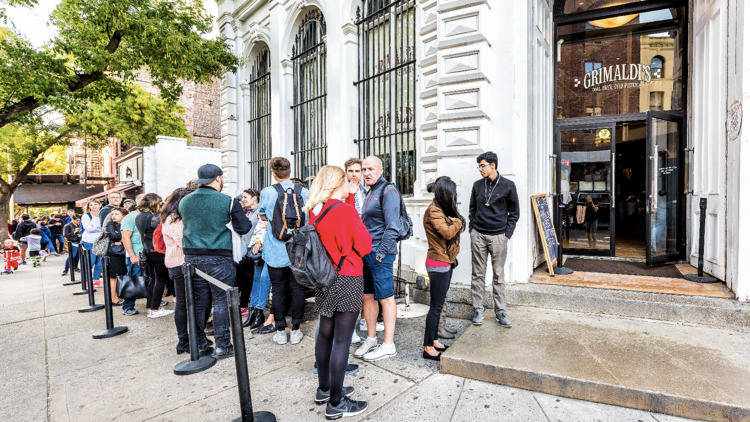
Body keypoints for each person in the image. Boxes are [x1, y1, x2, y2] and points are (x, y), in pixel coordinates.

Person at [304, 165, 371, 418]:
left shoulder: (314, 210)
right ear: (337, 182)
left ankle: (324, 389)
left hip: (325, 278)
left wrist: (351, 197)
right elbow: (364, 245)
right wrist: (351, 202)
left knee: (325, 333)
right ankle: (336, 403)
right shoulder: (344, 211)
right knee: (342, 340)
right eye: (346, 180)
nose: (349, 183)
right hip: (348, 277)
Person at [180, 164, 252, 359]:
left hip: (191, 257)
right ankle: (222, 345)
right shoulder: (227, 201)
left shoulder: (184, 201)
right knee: (221, 301)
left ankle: (200, 344)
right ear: (219, 178)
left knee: (198, 302)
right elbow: (244, 227)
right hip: (219, 255)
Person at [352, 156, 400, 362]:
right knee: (368, 297)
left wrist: (380, 254)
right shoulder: (371, 192)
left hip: (380, 254)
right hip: (367, 253)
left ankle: (388, 344)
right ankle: (371, 338)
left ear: (381, 170)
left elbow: (393, 228)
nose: (366, 173)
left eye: (371, 169)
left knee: (386, 297)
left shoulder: (389, 191)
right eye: (364, 169)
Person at [257, 157, 309, 345]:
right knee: (297, 289)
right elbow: (308, 219)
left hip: (275, 250)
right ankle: (295, 330)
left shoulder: (267, 192)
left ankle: (280, 331)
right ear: (290, 170)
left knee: (278, 290)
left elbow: (262, 215)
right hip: (297, 250)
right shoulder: (304, 191)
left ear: (273, 173)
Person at [160, 187, 214, 356]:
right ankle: (188, 341)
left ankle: (191, 339)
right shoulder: (175, 220)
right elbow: (185, 241)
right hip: (183, 264)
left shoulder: (171, 217)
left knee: (190, 303)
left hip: (179, 263)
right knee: (190, 303)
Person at [469, 151, 519, 328]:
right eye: (479, 166)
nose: (480, 169)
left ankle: (500, 311)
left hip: (499, 236)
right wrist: (472, 229)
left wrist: (507, 233)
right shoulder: (477, 185)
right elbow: (472, 210)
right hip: (479, 235)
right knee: (478, 274)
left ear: (493, 166)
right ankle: (477, 309)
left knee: (498, 275)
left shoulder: (508, 185)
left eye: (482, 165)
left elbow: (514, 213)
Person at [422, 177, 464, 360]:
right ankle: (428, 347)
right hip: (438, 264)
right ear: (446, 194)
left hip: (444, 261)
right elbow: (447, 232)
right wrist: (458, 222)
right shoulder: (433, 210)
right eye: (453, 193)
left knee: (438, 306)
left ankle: (435, 339)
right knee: (435, 308)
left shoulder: (439, 208)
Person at [135, 193, 174, 318]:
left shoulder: (139, 216)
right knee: (160, 280)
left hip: (147, 250)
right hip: (157, 251)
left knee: (153, 279)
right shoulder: (152, 217)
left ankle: (151, 306)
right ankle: (154, 309)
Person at [237, 189, 261, 320]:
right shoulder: (247, 212)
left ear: (255, 198)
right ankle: (243, 305)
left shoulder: (259, 212)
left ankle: (246, 305)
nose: (243, 199)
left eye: (245, 197)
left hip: (253, 252)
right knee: (246, 279)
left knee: (247, 277)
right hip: (245, 252)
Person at [121, 195, 144, 316]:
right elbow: (125, 238)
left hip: (147, 254)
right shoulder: (130, 218)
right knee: (133, 281)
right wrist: (132, 256)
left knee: (149, 280)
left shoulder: (149, 215)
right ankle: (127, 306)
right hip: (135, 255)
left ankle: (154, 302)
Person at [103, 207, 129, 305]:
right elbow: (114, 236)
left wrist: (121, 236)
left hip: (124, 253)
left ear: (124, 215)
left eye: (116, 214)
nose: (113, 216)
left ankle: (121, 296)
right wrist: (123, 236)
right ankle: (113, 299)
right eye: (113, 214)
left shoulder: (127, 223)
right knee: (113, 277)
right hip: (114, 253)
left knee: (122, 275)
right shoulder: (110, 224)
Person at [81, 200, 104, 287]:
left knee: (100, 263)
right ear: (88, 207)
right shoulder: (87, 216)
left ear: (100, 205)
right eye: (91, 205)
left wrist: (96, 228)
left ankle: (96, 280)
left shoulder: (102, 214)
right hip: (89, 241)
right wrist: (101, 228)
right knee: (90, 262)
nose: (94, 206)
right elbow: (89, 229)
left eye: (96, 204)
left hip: (101, 242)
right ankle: (87, 280)